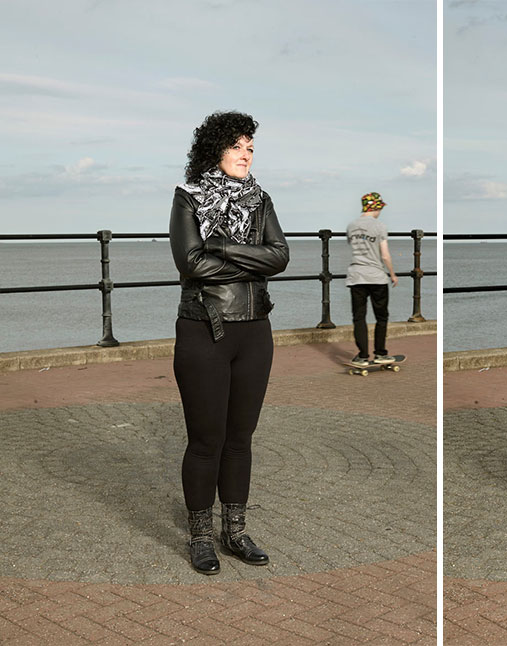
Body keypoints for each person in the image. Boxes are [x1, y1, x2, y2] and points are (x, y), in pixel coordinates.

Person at [169, 111, 289, 574]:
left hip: (255, 330)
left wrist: (218, 247)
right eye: (238, 146)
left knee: (241, 438)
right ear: (214, 150)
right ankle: (200, 537)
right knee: (206, 440)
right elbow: (190, 264)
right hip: (204, 330)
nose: (246, 154)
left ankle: (234, 531)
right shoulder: (188, 197)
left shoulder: (260, 199)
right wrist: (248, 261)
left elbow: (280, 256)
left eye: (251, 147)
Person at [345, 192, 398, 366]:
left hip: (356, 276)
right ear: (375, 207)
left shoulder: (351, 226)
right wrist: (392, 274)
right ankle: (381, 353)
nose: (380, 212)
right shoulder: (379, 226)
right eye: (380, 208)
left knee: (359, 317)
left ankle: (362, 355)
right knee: (381, 317)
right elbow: (385, 255)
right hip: (377, 277)